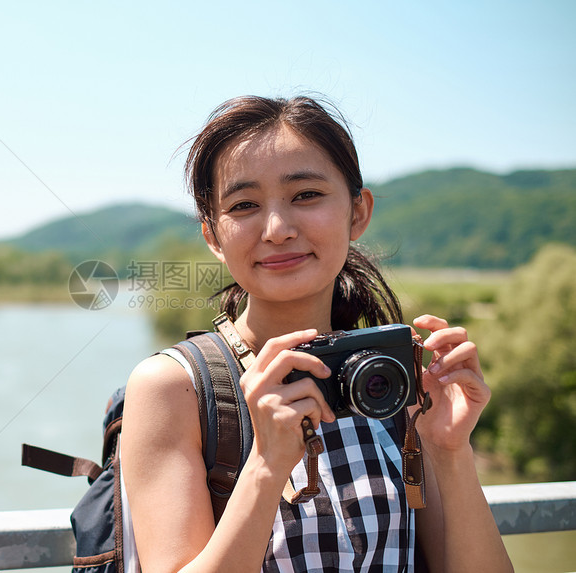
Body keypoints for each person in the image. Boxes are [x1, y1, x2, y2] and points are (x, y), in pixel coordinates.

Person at [120, 95, 513, 572]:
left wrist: (451, 452)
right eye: (244, 205)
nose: (278, 229)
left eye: (305, 195)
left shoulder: (388, 382)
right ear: (213, 237)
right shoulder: (176, 387)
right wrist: (266, 465)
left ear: (357, 211)